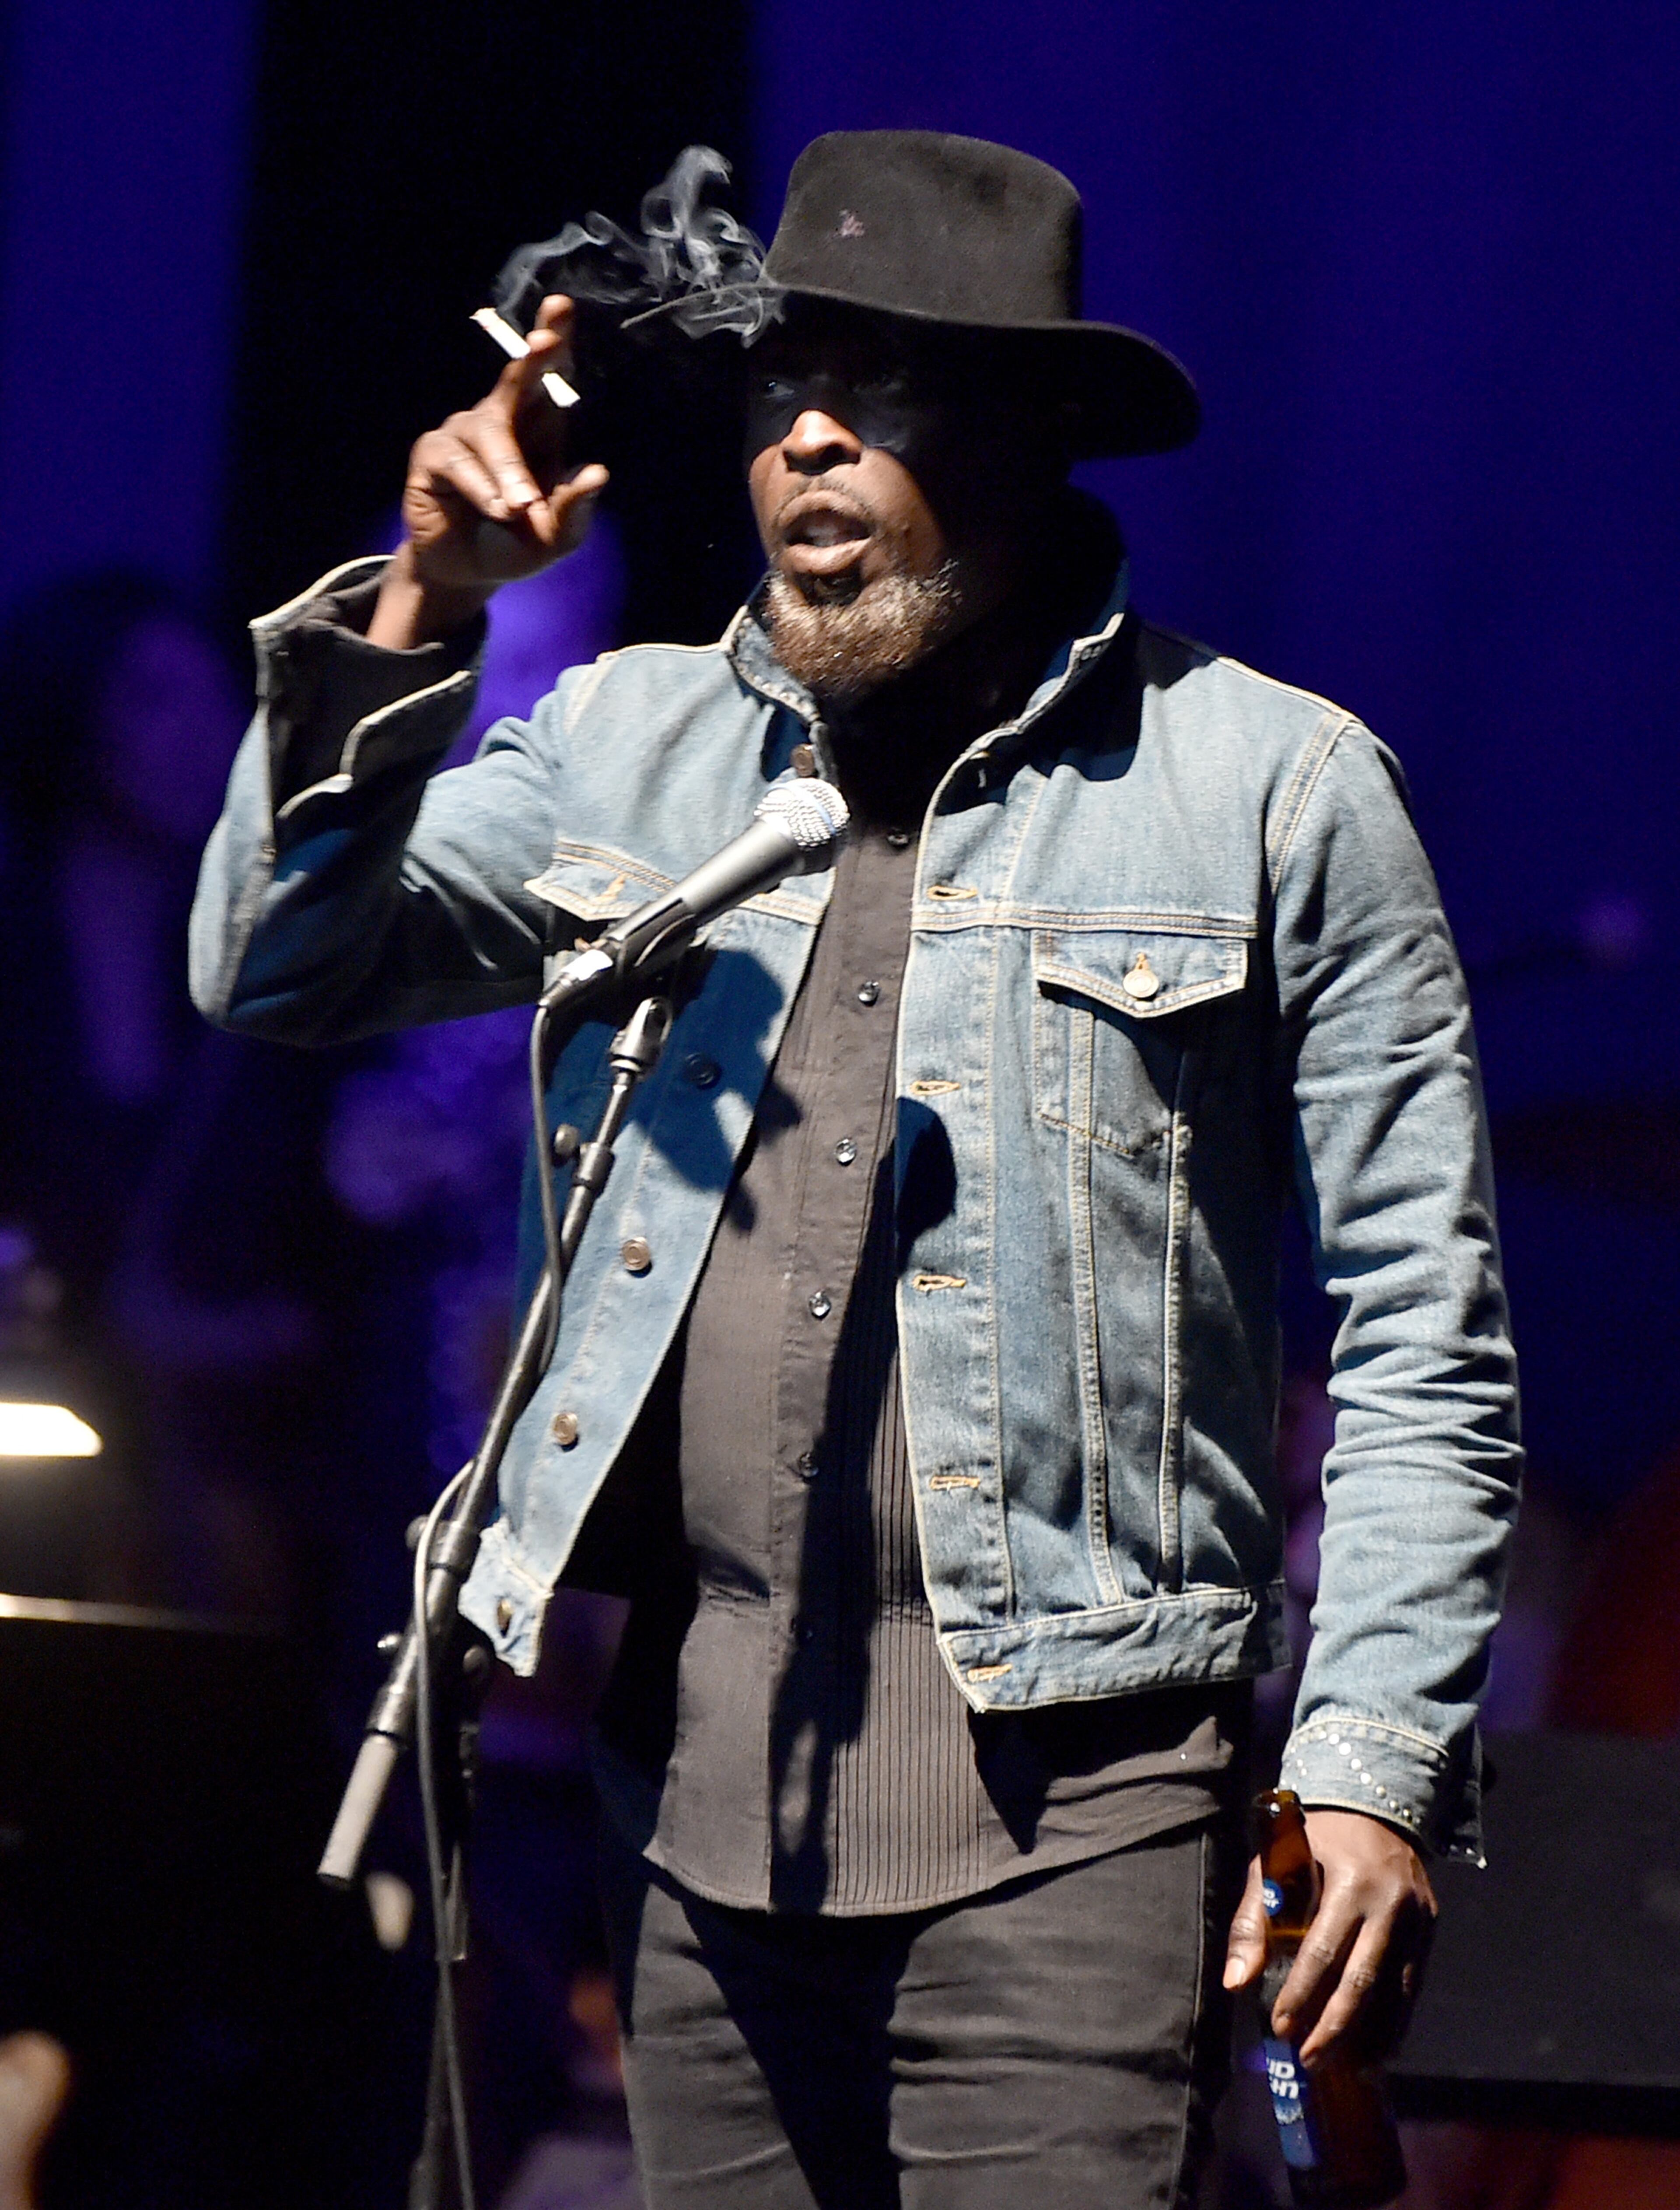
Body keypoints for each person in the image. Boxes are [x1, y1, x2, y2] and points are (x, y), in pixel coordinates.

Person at [191, 132, 1521, 2207]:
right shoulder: (627, 749)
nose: (809, 437)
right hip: (703, 1801)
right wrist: (420, 605)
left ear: (1028, 432)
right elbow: (277, 960)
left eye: (882, 390)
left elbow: (1430, 1341)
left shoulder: (1273, 789)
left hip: (1079, 1808)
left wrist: (1367, 1769)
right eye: (779, 388)